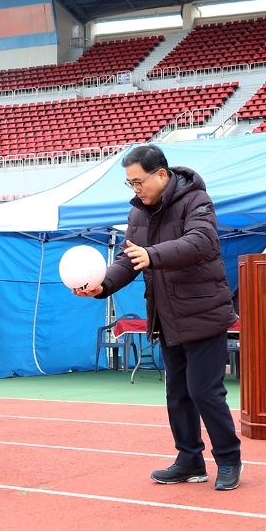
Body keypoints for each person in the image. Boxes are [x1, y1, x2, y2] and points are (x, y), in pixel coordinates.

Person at [72, 145, 243, 491]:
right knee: (177, 392)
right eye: (130, 184)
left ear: (162, 175)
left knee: (204, 390)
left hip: (203, 312)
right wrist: (102, 285)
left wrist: (151, 255)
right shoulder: (137, 214)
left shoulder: (197, 201)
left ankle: (228, 459)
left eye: (138, 182)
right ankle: (189, 460)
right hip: (166, 317)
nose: (135, 189)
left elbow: (200, 242)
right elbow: (127, 260)